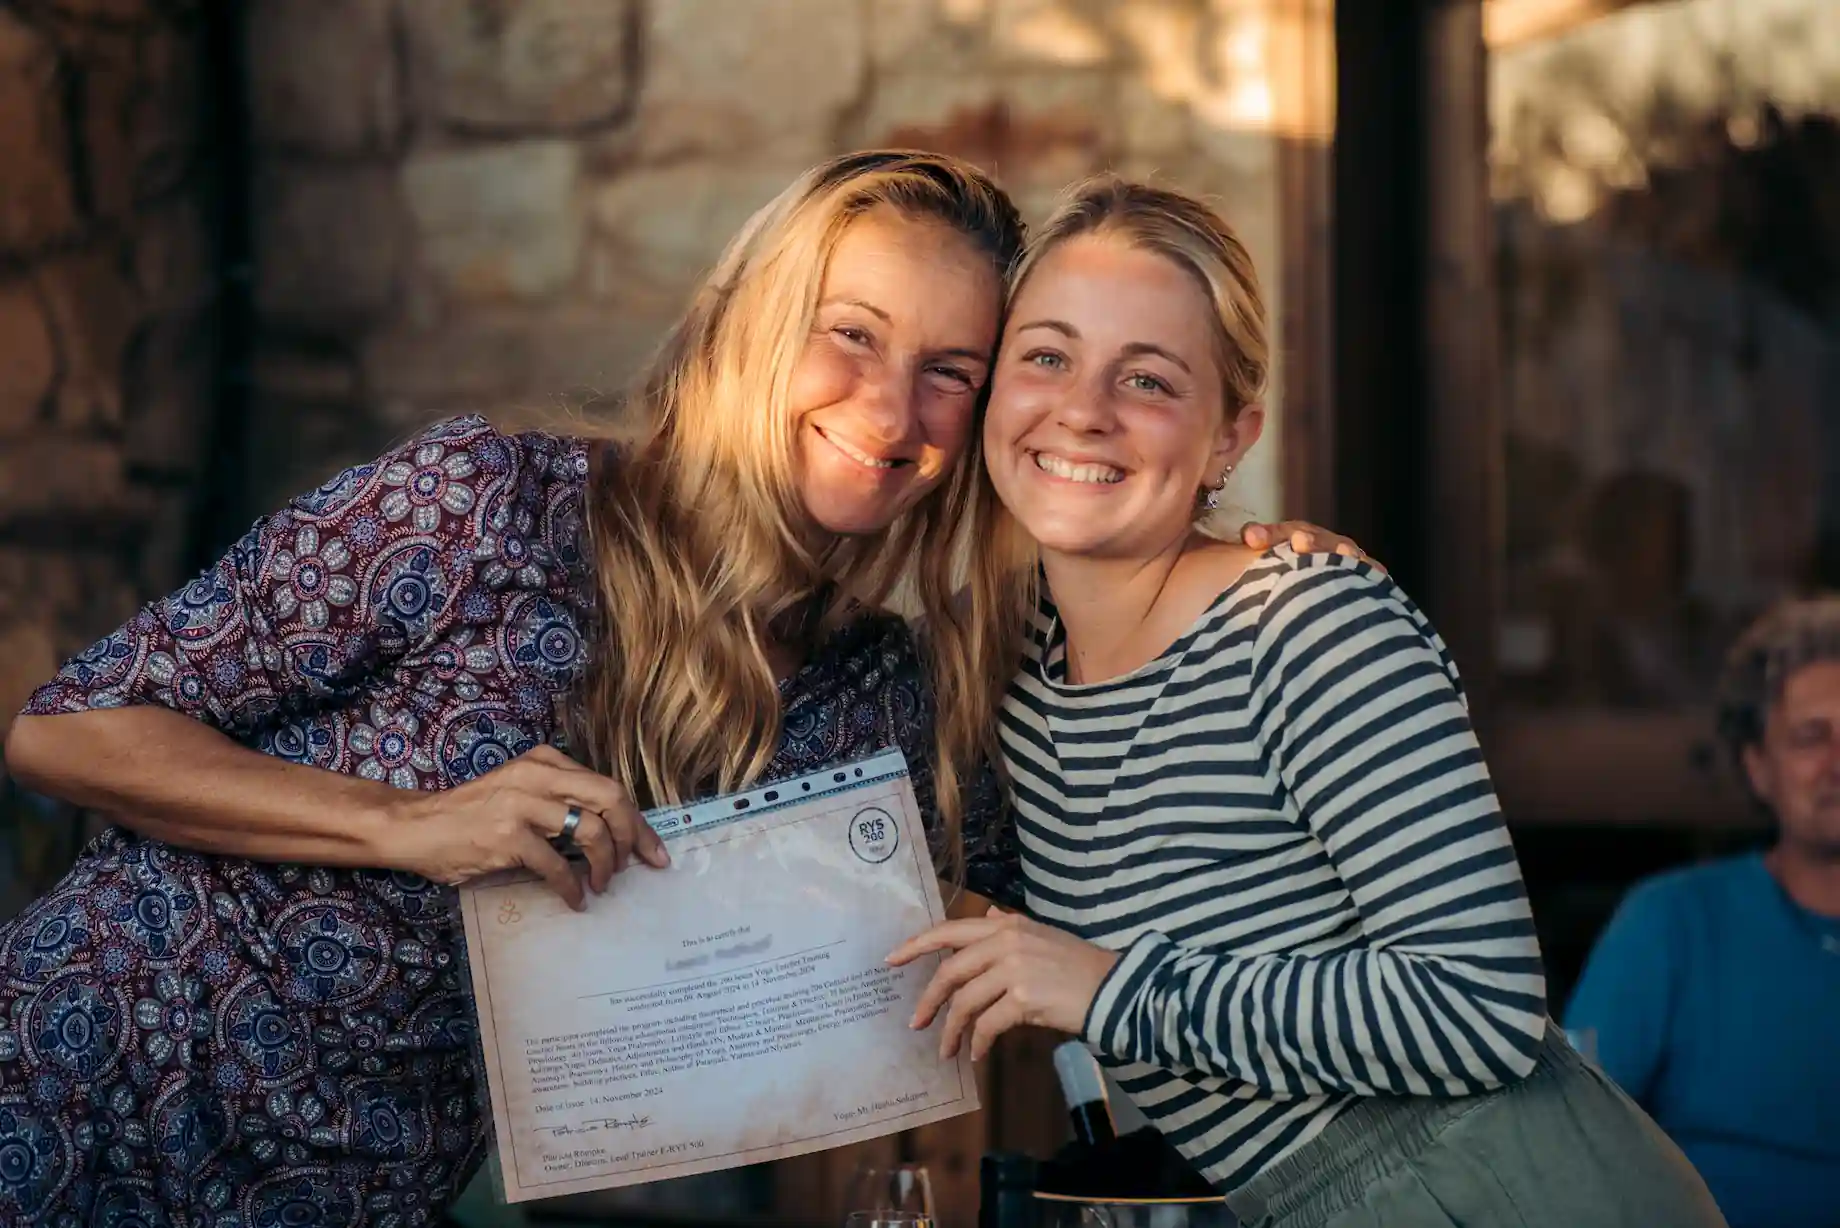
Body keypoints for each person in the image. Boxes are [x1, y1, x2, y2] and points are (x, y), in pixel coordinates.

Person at [0, 150, 1350, 1225]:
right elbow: (67, 733)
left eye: (954, 372)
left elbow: (1127, 891)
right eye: (853, 336)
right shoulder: (486, 505)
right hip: (75, 1097)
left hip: (343, 1198)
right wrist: (408, 825)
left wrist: (1243, 579)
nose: (891, 407)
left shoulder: (887, 710)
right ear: (750, 329)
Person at [891, 177, 1727, 1226]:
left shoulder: (1304, 626)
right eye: (1046, 356)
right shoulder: (1001, 674)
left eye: (1147, 379)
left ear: (1232, 438)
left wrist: (1110, 991)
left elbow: (1480, 1008)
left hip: (1500, 1187)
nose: (1082, 410)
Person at [1564, 598, 1840, 1228]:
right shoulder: (1670, 924)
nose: (1837, 763)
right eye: (1810, 737)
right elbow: (1570, 1138)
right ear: (1758, 767)